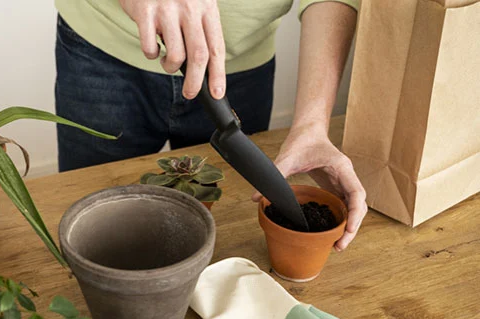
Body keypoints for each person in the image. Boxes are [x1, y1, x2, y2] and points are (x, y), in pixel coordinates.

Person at [54, 0, 367, 251]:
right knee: (89, 232)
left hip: (242, 66)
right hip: (103, 51)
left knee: (225, 226)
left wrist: (312, 125)